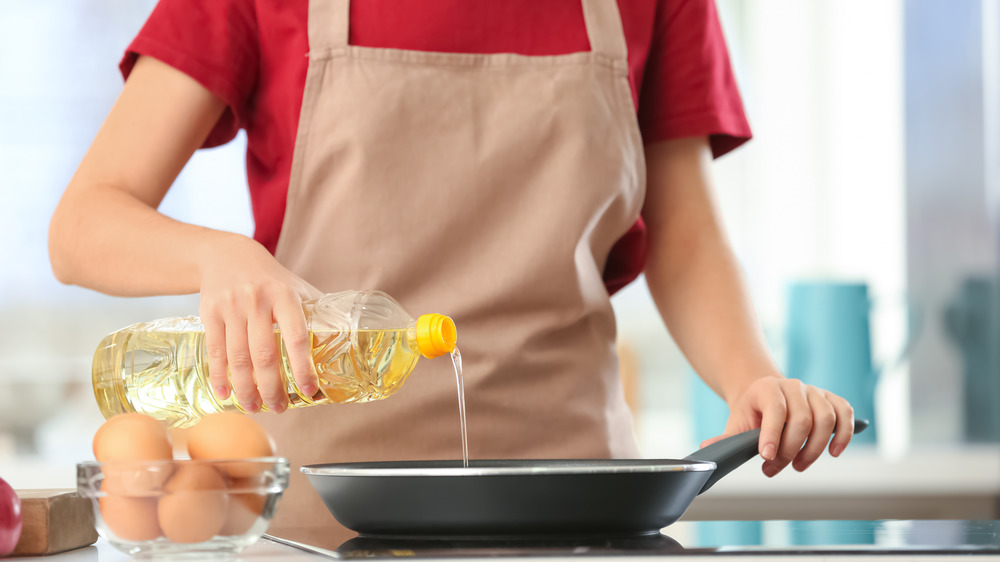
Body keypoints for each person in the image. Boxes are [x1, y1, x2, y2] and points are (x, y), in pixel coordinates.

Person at [49, 0, 856, 547]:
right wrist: (217, 255)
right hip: (324, 528)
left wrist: (748, 378)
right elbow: (84, 222)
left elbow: (685, 236)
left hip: (576, 520)